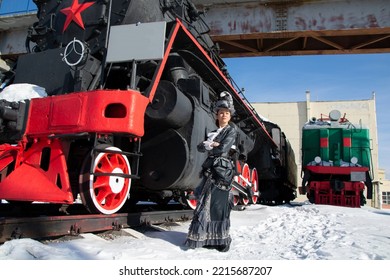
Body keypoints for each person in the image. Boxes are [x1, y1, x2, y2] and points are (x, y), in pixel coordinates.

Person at [185, 91, 237, 252]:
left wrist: (212, 145)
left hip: (222, 171)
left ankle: (220, 240)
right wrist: (210, 144)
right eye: (221, 113)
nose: (224, 115)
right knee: (207, 204)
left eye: (226, 113)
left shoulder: (231, 130)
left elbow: (222, 148)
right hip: (211, 170)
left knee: (219, 206)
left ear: (230, 115)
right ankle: (207, 238)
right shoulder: (214, 131)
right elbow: (201, 146)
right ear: (217, 115)